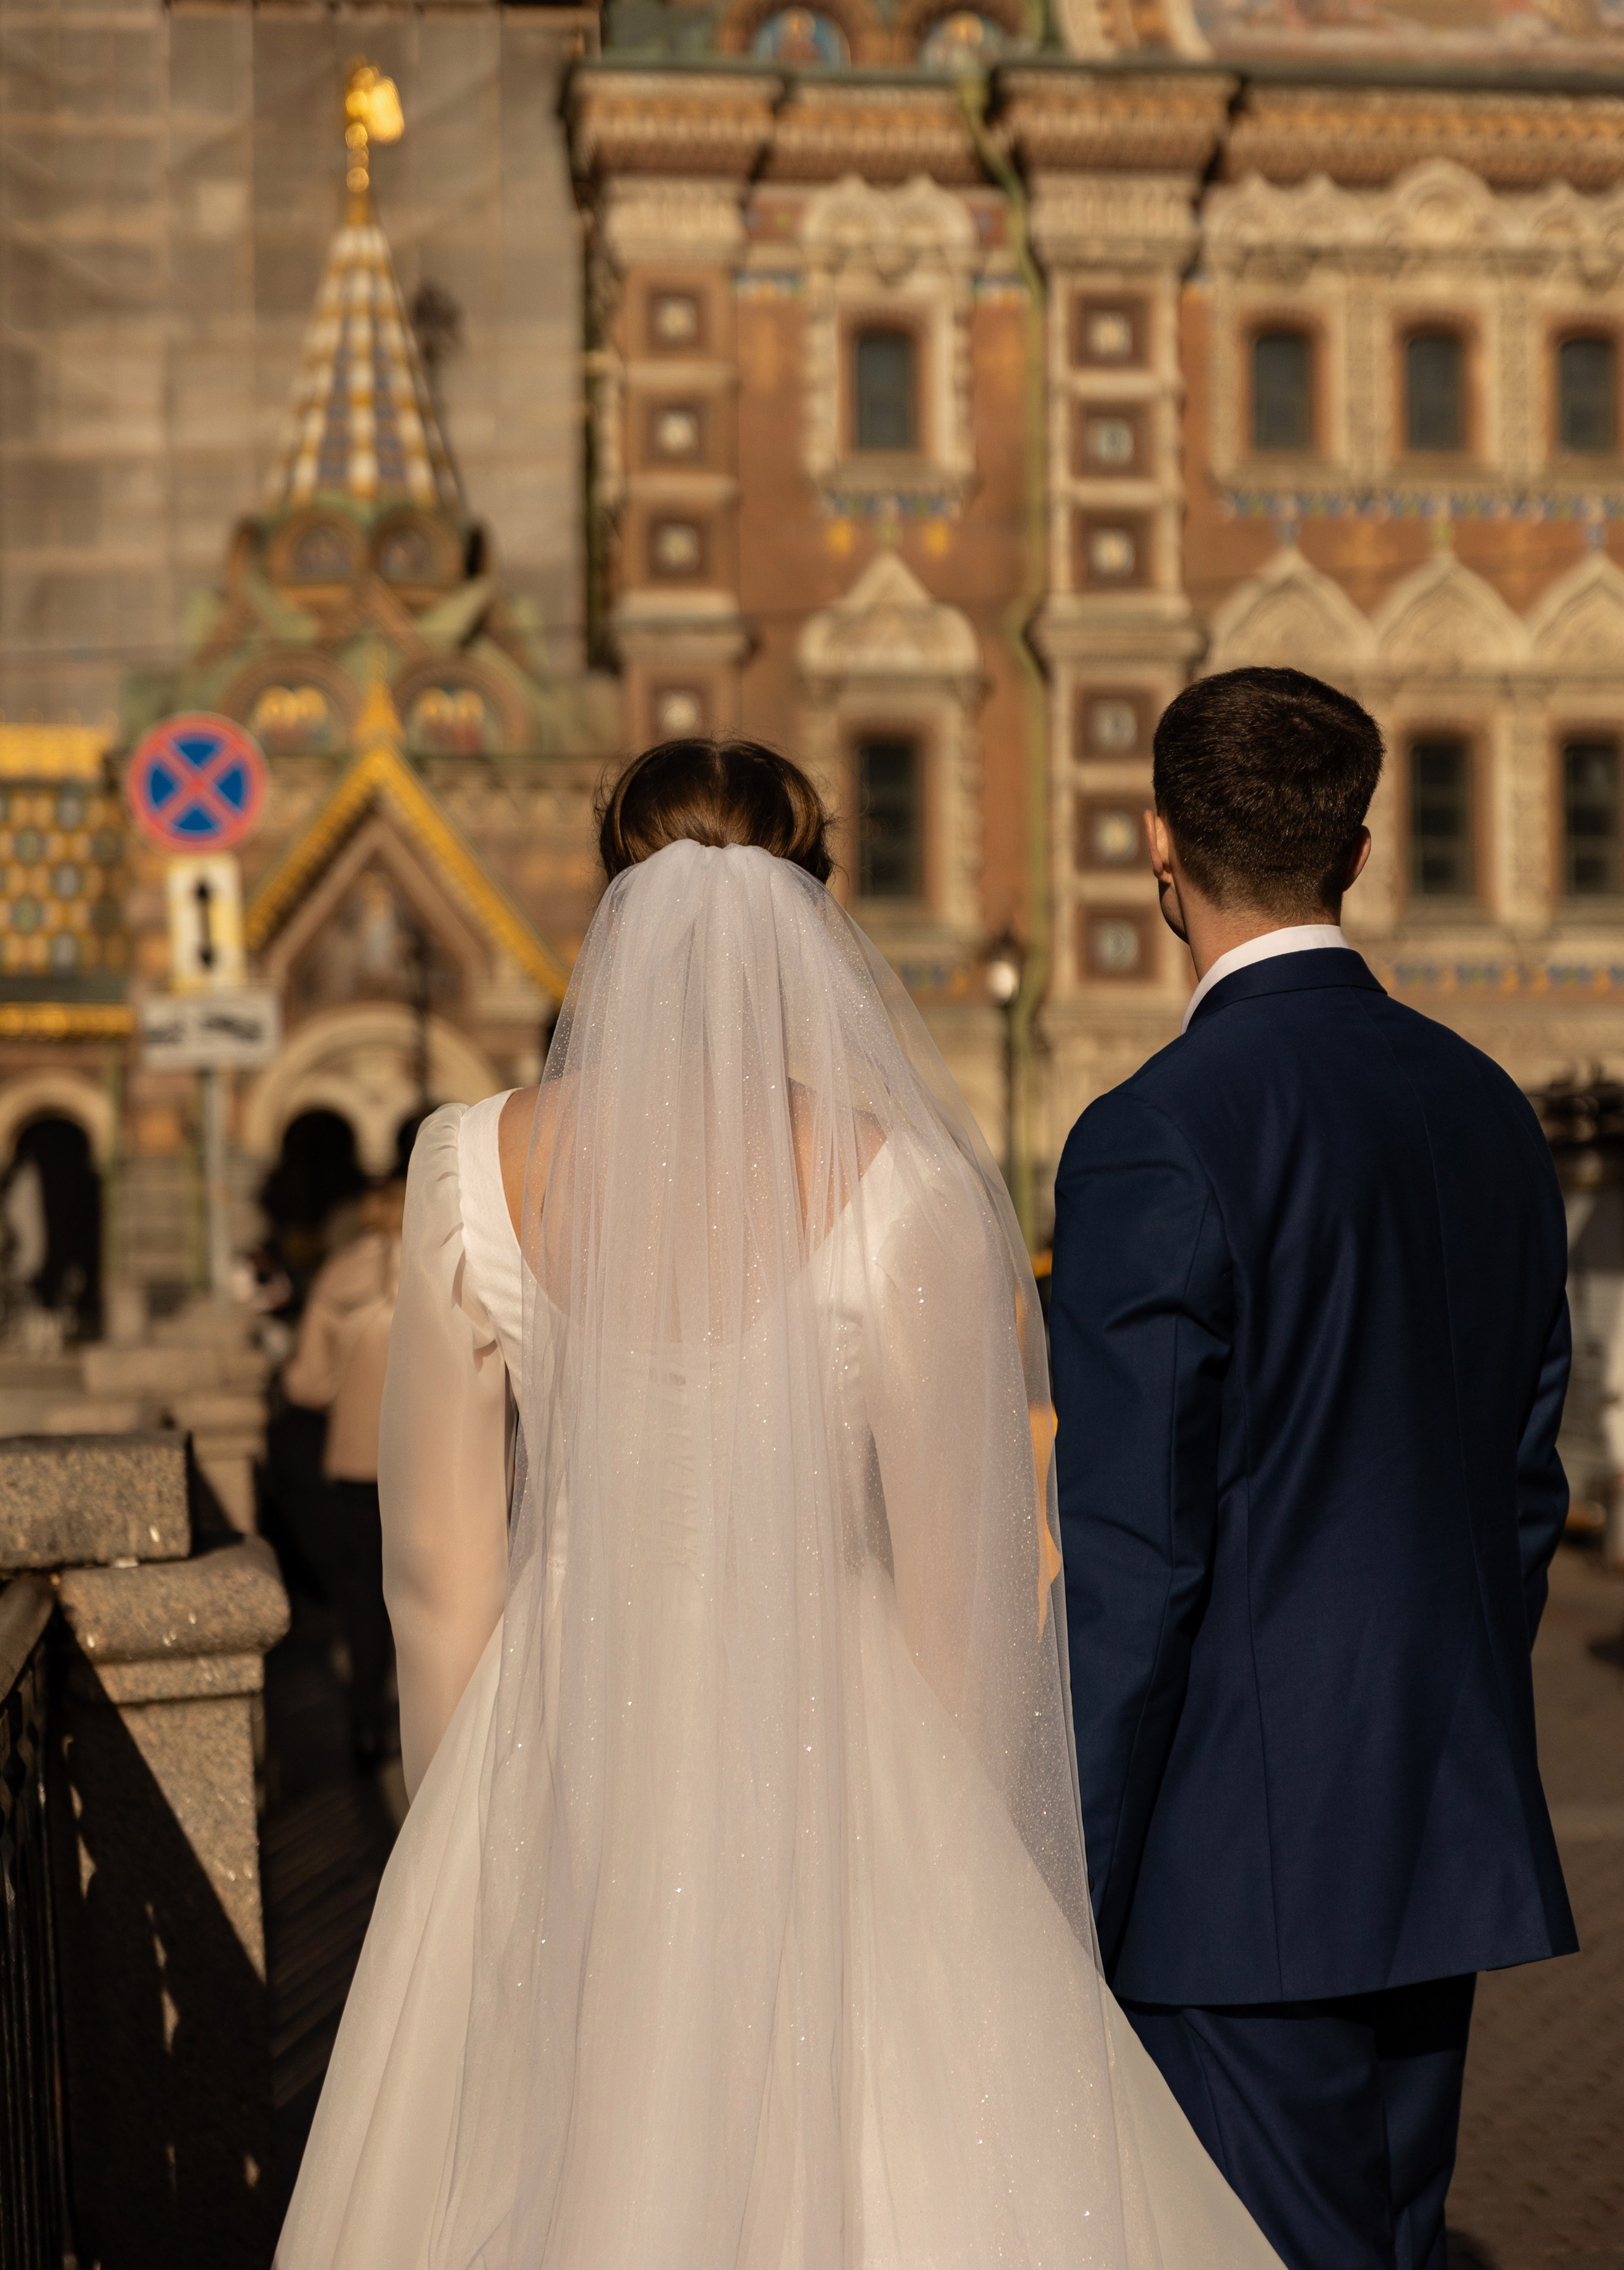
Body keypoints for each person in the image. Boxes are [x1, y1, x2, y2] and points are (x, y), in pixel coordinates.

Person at [277, 738, 1281, 2269]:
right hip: (837, 1727)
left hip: (559, 1725)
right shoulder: (908, 1189)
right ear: (813, 910)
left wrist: (463, 1827)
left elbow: (435, 1568)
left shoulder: (466, 1166)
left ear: (616, 904)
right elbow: (965, 1591)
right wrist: (958, 1868)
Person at [1050, 666, 1576, 2270]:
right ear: (1353, 850)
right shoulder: (1484, 1107)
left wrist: (1061, 1873)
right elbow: (1520, 1485)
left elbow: (1135, 1560)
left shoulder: (1151, 1130)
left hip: (1229, 1871)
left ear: (1155, 843)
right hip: (1436, 1820)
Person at [283, 1156, 412, 1768]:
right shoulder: (453, 1269)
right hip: (432, 1467)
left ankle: (365, 1723)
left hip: (357, 1466)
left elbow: (306, 1385)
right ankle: (441, 1734)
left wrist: (343, 1381)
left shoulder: (338, 1276)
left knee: (363, 1601)